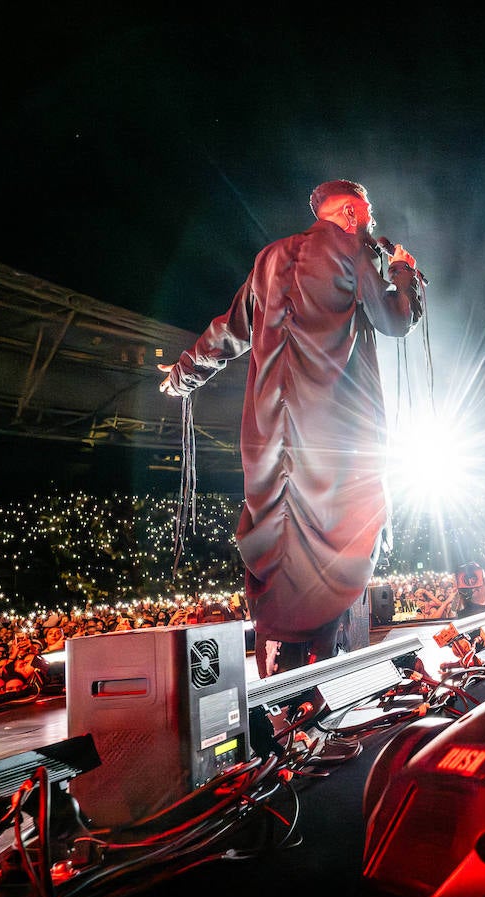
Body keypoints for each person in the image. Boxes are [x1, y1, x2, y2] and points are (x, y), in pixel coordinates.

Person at [159, 179, 423, 676]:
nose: (371, 228)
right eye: (367, 217)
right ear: (350, 213)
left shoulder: (268, 258)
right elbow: (393, 320)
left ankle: (280, 690)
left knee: (281, 552)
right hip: (334, 440)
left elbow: (229, 331)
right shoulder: (351, 251)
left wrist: (181, 376)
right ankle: (326, 692)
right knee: (345, 541)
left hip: (272, 442)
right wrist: (404, 274)